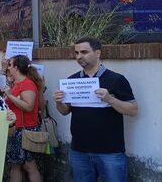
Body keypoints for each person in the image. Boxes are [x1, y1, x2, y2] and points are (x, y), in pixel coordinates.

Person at [53, 37, 138, 182]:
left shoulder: (116, 79)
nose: (79, 56)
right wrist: (59, 102)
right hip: (79, 151)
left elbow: (133, 110)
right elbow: (65, 111)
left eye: (84, 52)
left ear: (98, 53)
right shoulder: (71, 80)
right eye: (77, 53)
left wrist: (110, 99)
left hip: (110, 152)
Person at [3, 55, 43, 182]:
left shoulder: (27, 84)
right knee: (17, 166)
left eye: (10, 65)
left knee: (29, 166)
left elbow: (29, 106)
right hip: (17, 128)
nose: (7, 68)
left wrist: (9, 96)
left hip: (24, 130)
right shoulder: (17, 83)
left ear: (16, 67)